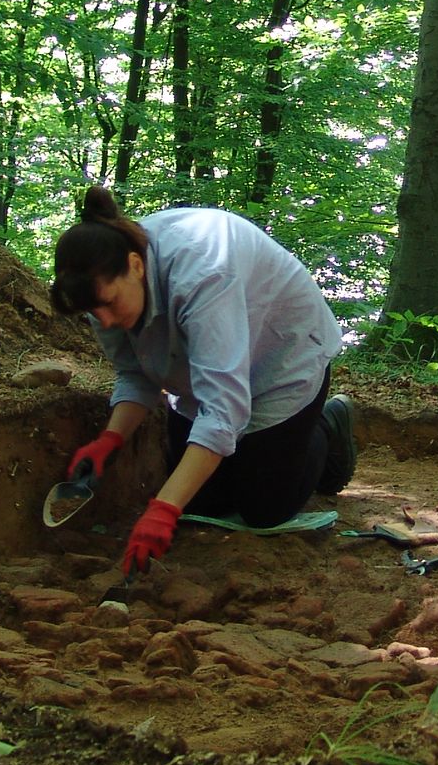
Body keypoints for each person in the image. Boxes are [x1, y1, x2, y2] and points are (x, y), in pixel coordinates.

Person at [48, 187, 358, 577]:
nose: (104, 322)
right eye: (94, 313)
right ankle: (268, 452)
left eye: (109, 305)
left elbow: (223, 411)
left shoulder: (203, 272)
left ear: (136, 266)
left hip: (280, 359)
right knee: (203, 504)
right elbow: (135, 373)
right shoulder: (100, 290)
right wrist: (110, 439)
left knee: (263, 509)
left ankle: (325, 429)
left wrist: (162, 510)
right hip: (206, 373)